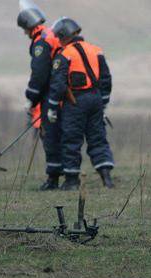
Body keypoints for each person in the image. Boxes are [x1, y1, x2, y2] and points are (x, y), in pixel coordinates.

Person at [46, 17, 115, 190]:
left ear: (63, 35)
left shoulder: (64, 54)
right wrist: (103, 102)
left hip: (75, 101)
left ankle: (71, 181)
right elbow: (106, 79)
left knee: (71, 140)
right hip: (96, 99)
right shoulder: (96, 50)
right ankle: (107, 179)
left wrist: (53, 107)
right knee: (98, 139)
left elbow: (59, 84)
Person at [17, 7, 63, 190]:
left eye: (24, 29)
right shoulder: (50, 34)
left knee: (50, 137)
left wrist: (31, 97)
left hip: (51, 96)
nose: (25, 33)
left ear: (29, 26)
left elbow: (40, 74)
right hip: (60, 95)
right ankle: (68, 176)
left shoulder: (40, 43)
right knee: (61, 137)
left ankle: (53, 180)